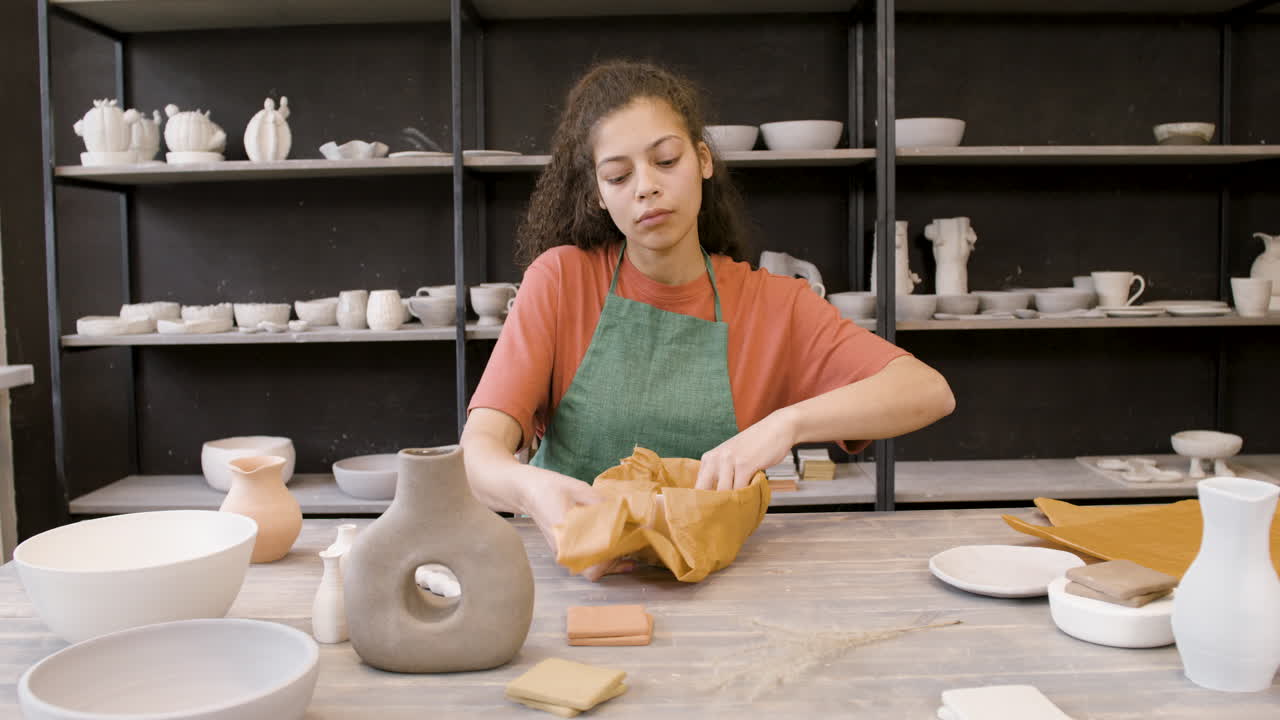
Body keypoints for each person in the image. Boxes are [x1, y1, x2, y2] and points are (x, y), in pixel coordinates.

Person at [460, 60, 955, 580]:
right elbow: (479, 454)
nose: (646, 187)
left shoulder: (773, 304)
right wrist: (528, 488)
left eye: (666, 160)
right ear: (598, 196)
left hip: (715, 583)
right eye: (619, 176)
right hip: (575, 580)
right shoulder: (561, 282)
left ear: (702, 160)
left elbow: (928, 390)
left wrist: (787, 424)